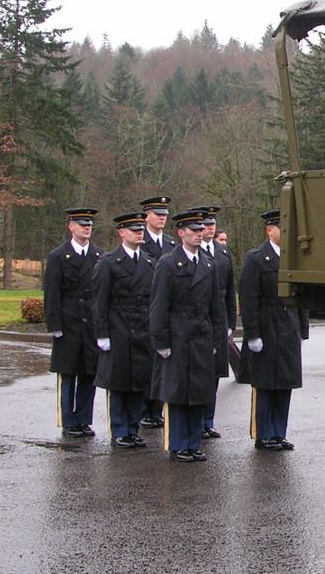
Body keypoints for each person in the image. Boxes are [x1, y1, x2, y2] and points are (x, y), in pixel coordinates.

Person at [148, 209, 225, 462]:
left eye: (201, 230)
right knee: (178, 393)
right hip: (178, 333)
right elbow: (159, 305)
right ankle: (178, 444)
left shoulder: (208, 263)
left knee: (199, 392)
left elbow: (216, 305)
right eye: (194, 230)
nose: (199, 234)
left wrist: (216, 338)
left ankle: (193, 442)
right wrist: (161, 341)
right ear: (181, 233)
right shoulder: (168, 263)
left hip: (201, 335)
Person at [238, 209, 308, 451]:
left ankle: (279, 432)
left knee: (285, 383)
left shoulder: (294, 257)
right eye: (282, 227)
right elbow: (248, 299)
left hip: (288, 325)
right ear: (270, 230)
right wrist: (253, 334)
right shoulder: (256, 258)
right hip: (266, 325)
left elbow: (301, 294)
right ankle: (263, 433)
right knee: (265, 383)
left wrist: (302, 329)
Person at [91, 212, 155, 449]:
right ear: (121, 233)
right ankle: (119, 430)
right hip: (118, 328)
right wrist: (102, 333)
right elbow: (99, 301)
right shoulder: (108, 262)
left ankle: (132, 428)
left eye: (141, 229)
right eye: (134, 230)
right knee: (119, 383)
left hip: (142, 328)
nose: (139, 233)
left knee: (138, 381)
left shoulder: (149, 262)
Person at [44, 208, 103, 437]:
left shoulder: (99, 256)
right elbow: (52, 293)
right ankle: (68, 421)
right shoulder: (58, 256)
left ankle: (83, 419)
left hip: (90, 323)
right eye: (82, 224)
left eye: (89, 224)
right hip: (68, 322)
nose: (86, 227)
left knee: (89, 373)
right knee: (68, 374)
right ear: (71, 226)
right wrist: (55, 325)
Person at [191, 205, 236, 439]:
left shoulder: (223, 253)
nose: (210, 228)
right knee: (199, 372)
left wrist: (230, 322)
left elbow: (229, 290)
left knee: (216, 373)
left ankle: (208, 421)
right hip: (199, 316)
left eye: (212, 224)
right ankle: (196, 421)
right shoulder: (193, 251)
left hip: (218, 318)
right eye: (206, 225)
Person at [137, 194, 176, 429]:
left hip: (166, 310)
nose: (162, 219)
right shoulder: (139, 242)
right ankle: (143, 409)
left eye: (164, 216)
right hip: (144, 308)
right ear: (146, 217)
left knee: (163, 362)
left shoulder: (171, 244)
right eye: (157, 215)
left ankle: (157, 408)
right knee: (145, 362)